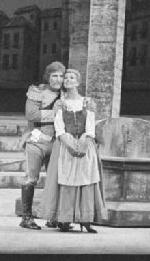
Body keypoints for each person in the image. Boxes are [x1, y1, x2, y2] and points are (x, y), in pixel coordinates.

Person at [41, 68, 107, 232]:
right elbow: (59, 127)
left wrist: (85, 140)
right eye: (66, 78)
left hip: (85, 143)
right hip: (65, 144)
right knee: (66, 180)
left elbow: (91, 126)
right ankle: (64, 219)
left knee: (86, 179)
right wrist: (68, 142)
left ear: (77, 82)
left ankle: (86, 219)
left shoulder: (87, 102)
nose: (67, 80)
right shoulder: (60, 103)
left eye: (71, 78)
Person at [18, 61, 66, 230]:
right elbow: (32, 114)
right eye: (54, 76)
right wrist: (57, 113)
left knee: (56, 180)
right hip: (36, 141)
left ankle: (53, 217)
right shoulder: (37, 92)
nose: (58, 79)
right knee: (31, 178)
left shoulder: (66, 94)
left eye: (61, 76)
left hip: (57, 143)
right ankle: (26, 217)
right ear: (48, 77)